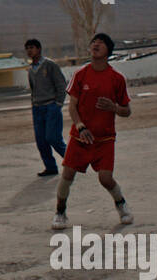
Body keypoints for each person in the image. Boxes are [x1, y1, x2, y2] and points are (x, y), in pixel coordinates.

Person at [53, 33, 133, 230]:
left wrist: (114, 108)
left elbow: (127, 111)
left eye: (101, 42)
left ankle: (121, 204)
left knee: (105, 178)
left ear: (108, 51)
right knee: (67, 175)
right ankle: (60, 212)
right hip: (80, 137)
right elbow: (72, 106)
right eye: (93, 42)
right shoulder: (80, 75)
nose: (96, 44)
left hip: (104, 139)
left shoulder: (117, 79)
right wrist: (80, 126)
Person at [25, 39, 68, 177]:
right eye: (27, 48)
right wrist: (33, 104)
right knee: (41, 141)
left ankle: (73, 162)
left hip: (51, 106)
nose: (29, 51)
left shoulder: (50, 65)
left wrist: (58, 104)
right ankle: (50, 167)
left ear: (39, 49)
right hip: (37, 108)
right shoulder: (31, 70)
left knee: (53, 138)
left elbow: (61, 85)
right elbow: (33, 89)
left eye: (32, 47)